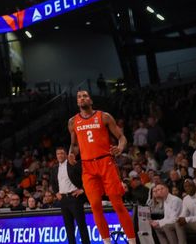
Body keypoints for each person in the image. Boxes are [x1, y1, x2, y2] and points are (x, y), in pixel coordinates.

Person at [68, 90, 137, 244]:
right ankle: (107, 242)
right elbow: (73, 145)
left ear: (90, 100)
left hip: (106, 162)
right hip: (87, 166)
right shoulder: (72, 122)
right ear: (77, 102)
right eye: (79, 97)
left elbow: (122, 137)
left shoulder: (104, 116)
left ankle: (132, 241)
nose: (82, 98)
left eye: (85, 96)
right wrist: (71, 153)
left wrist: (120, 148)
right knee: (95, 206)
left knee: (117, 203)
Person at [51, 147, 90, 244]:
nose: (59, 155)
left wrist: (82, 190)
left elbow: (86, 177)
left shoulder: (73, 165)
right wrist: (56, 193)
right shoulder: (55, 168)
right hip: (63, 200)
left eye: (61, 153)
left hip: (74, 198)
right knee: (69, 227)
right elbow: (53, 183)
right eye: (58, 154)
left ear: (66, 154)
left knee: (81, 225)